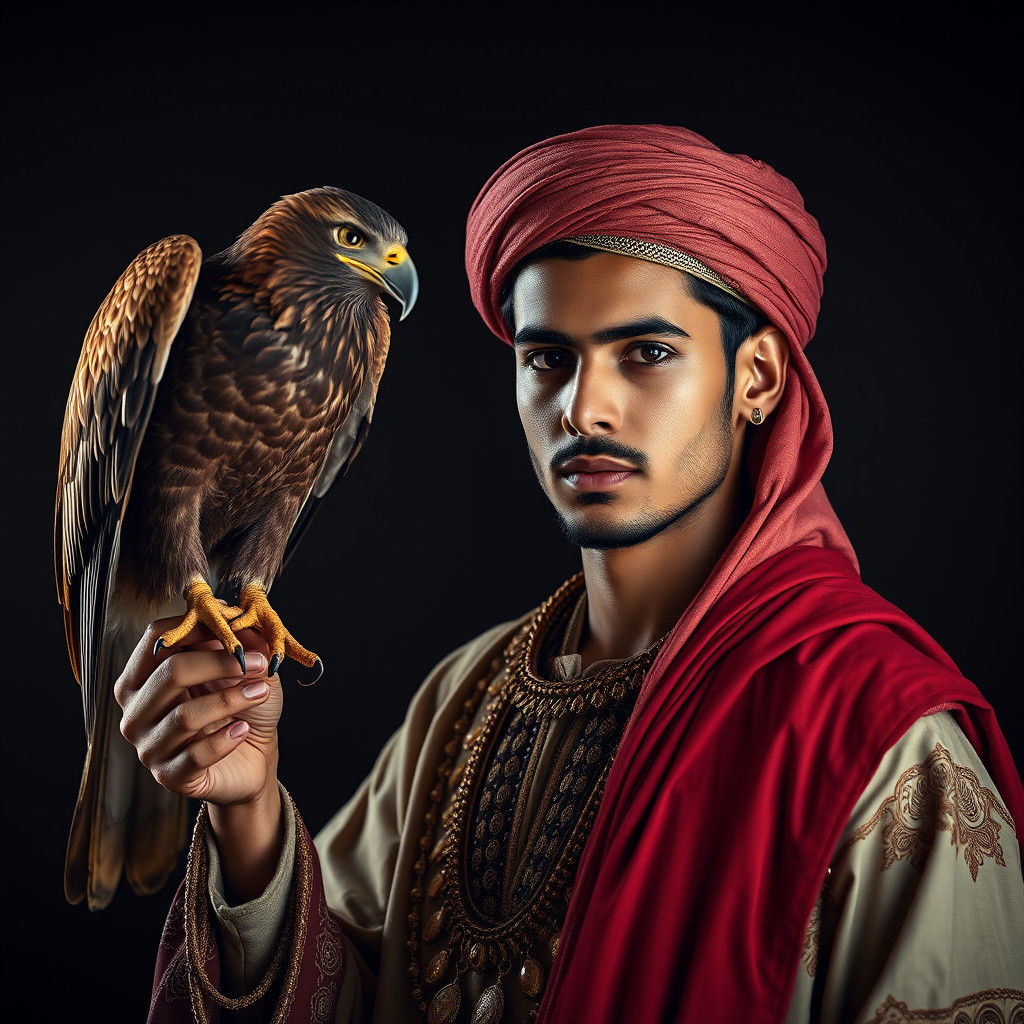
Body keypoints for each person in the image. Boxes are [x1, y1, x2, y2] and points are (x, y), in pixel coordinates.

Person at [117, 125, 1024, 1024]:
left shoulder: (882, 740)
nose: (584, 407)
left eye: (648, 353)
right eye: (547, 358)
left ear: (757, 378)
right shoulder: (462, 700)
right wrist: (249, 816)